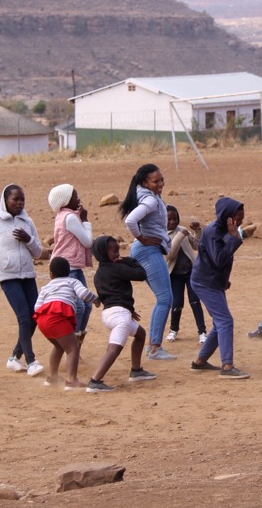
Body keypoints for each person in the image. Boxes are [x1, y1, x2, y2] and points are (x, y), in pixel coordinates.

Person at [0, 184, 45, 377]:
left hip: (27, 274)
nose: (19, 203)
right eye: (15, 199)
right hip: (8, 276)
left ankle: (14, 357)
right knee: (24, 316)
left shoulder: (27, 222)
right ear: (5, 200)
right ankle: (31, 361)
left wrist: (28, 239)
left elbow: (39, 252)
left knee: (35, 317)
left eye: (22, 199)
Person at [85, 235, 155, 393]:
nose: (118, 254)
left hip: (110, 313)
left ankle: (136, 371)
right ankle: (95, 380)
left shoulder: (99, 274)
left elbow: (109, 295)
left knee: (140, 334)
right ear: (103, 253)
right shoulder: (117, 267)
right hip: (120, 315)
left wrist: (129, 310)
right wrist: (128, 260)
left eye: (118, 251)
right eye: (114, 251)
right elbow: (141, 274)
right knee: (114, 349)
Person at [120, 164, 175, 361]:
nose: (161, 183)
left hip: (148, 250)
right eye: (156, 181)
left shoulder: (146, 194)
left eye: (161, 179)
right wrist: (143, 239)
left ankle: (153, 345)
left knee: (165, 297)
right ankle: (154, 348)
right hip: (147, 250)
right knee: (165, 298)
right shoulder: (150, 200)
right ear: (145, 182)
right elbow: (130, 221)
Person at [190, 197, 250, 379]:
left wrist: (224, 279)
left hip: (213, 281)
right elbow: (219, 259)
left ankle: (200, 362)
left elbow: (222, 262)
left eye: (241, 220)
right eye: (236, 219)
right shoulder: (213, 232)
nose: (238, 223)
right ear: (226, 217)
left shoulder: (223, 230)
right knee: (225, 321)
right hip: (204, 282)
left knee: (220, 321)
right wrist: (234, 238)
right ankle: (227, 366)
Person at [33, 256, 101, 390]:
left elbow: (37, 307)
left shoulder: (46, 287)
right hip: (57, 318)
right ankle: (71, 380)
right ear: (68, 272)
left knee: (59, 346)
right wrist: (96, 300)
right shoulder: (72, 282)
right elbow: (84, 294)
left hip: (42, 320)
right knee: (73, 348)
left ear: (51, 274)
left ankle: (52, 377)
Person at [48, 184, 95, 343]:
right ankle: (71, 345)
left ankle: (76, 343)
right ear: (66, 200)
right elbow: (87, 241)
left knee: (86, 306)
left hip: (73, 268)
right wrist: (86, 221)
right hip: (69, 270)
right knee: (80, 307)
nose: (78, 199)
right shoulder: (70, 218)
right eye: (75, 196)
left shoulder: (65, 216)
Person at [165, 205, 207, 344]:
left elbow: (197, 245)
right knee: (177, 304)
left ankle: (202, 332)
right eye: (168, 219)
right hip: (174, 275)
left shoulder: (183, 230)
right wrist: (180, 235)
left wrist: (197, 231)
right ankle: (173, 330)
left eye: (175, 218)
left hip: (190, 273)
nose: (172, 222)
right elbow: (170, 255)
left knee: (195, 302)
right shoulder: (162, 236)